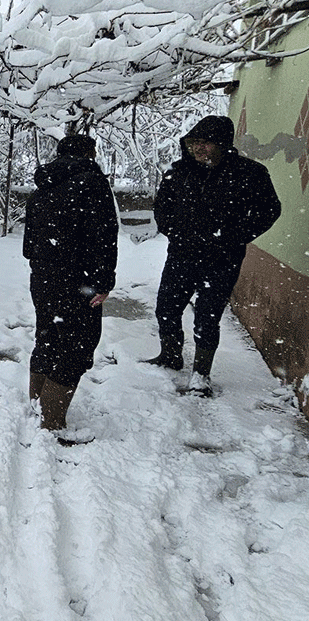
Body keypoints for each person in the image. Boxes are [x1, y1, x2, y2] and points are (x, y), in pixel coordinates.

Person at [145, 114, 281, 393]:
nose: (198, 148)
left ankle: (200, 375)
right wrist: (175, 230)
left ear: (223, 144)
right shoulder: (178, 172)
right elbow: (162, 208)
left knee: (208, 317)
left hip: (222, 259)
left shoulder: (250, 173)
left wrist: (236, 236)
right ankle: (170, 356)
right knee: (167, 308)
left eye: (206, 143)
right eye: (194, 142)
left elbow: (270, 210)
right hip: (182, 255)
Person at [22, 133, 118, 439]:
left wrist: (47, 263)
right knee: (77, 345)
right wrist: (103, 281)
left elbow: (28, 246)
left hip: (43, 277)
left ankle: (37, 402)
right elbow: (104, 236)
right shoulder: (92, 183)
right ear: (89, 153)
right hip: (80, 282)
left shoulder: (42, 188)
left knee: (48, 335)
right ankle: (52, 422)